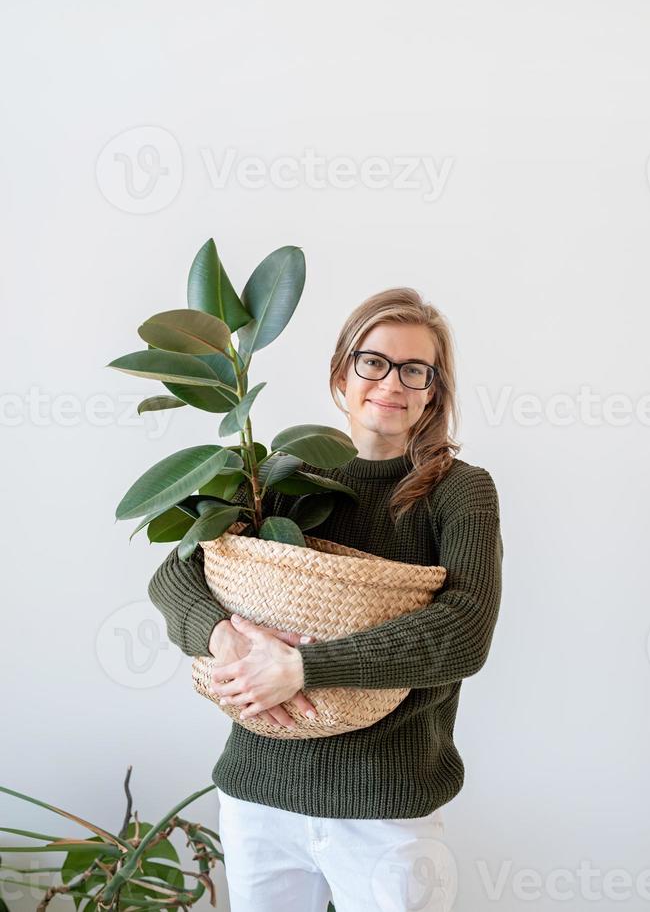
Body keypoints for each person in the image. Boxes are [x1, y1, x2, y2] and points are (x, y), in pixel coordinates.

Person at [148, 287, 504, 911]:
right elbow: (174, 575)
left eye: (415, 369)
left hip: (385, 805)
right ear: (342, 372)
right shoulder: (278, 478)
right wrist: (225, 636)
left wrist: (302, 669)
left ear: (433, 391)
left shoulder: (459, 492)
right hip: (260, 793)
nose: (391, 382)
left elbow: (464, 630)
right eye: (373, 361)